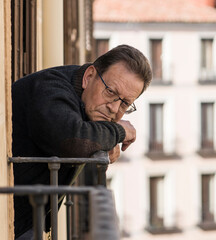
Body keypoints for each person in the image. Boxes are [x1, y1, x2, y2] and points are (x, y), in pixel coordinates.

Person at [12, 44, 152, 239]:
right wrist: (118, 131)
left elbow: (83, 135)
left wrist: (105, 137)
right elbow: (72, 140)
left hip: (26, 218)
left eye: (125, 103)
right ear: (89, 77)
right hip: (8, 219)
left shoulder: (88, 101)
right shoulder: (51, 88)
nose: (114, 108)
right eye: (110, 92)